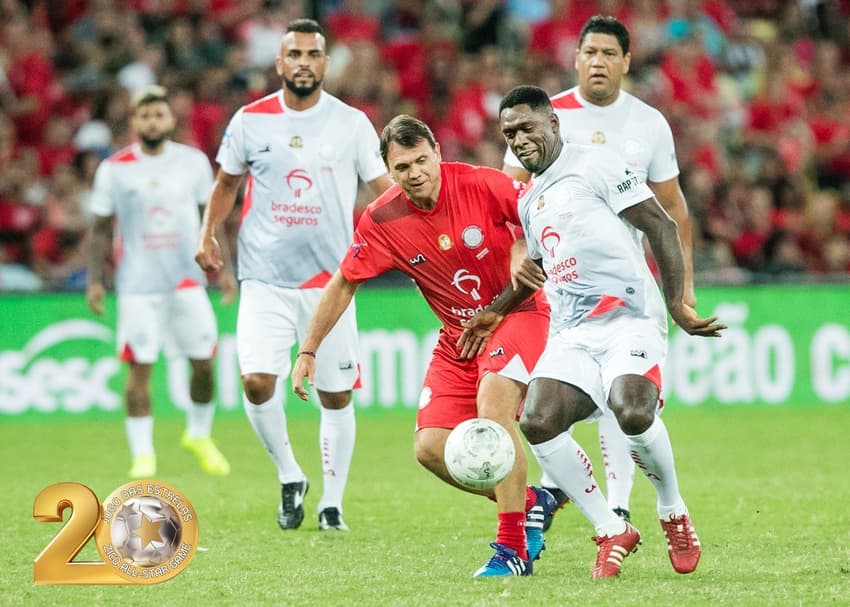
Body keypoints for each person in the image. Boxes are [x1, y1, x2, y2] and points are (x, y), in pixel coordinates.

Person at [464, 85, 726, 578]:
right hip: (573, 331)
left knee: (630, 409)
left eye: (527, 128)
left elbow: (662, 227)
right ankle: (611, 529)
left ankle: (672, 509)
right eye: (509, 133)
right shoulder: (530, 200)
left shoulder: (597, 165)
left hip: (629, 317)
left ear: (554, 124)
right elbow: (538, 269)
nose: (519, 140)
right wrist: (494, 312)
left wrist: (677, 306)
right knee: (538, 421)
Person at [290, 114, 557, 577]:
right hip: (459, 337)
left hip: (519, 314)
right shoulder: (382, 219)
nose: (415, 173)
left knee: (493, 410)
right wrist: (308, 350)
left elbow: (543, 217)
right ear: (387, 171)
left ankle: (512, 548)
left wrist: (519, 246)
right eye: (402, 167)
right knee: (431, 448)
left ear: (437, 150)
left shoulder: (482, 183)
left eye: (421, 160)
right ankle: (531, 500)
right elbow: (342, 283)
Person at [194, 19, 393, 532]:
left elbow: (382, 190)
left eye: (313, 53)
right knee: (257, 381)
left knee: (335, 395)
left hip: (332, 282)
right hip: (264, 279)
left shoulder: (351, 123)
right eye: (294, 54)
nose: (304, 62)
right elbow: (225, 184)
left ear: (325, 64)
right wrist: (207, 234)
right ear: (279, 63)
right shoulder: (250, 121)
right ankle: (289, 474)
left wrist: (416, 241)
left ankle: (332, 502)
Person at [502, 15, 698, 524]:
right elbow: (512, 200)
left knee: (623, 399)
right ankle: (568, 494)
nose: (597, 61)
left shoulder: (647, 122)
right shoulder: (541, 114)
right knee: (553, 405)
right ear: (575, 57)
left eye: (609, 53)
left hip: (624, 279)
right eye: (589, 51)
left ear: (626, 62)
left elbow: (670, 210)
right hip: (560, 278)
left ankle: (618, 502)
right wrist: (516, 259)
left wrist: (684, 292)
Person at [86, 85, 232, 479]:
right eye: (144, 115)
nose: (152, 121)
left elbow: (211, 219)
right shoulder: (115, 169)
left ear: (170, 119)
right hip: (138, 287)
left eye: (158, 114)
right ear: (134, 122)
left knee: (204, 364)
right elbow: (99, 228)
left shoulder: (193, 162)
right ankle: (143, 454)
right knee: (140, 369)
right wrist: (95, 281)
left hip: (187, 281)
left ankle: (199, 435)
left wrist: (227, 272)